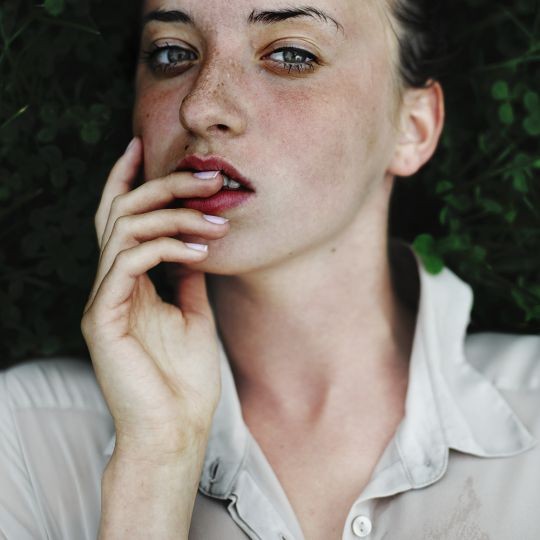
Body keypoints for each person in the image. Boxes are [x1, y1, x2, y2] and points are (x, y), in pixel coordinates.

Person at [1, 1, 539, 539]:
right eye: (171, 54)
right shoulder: (24, 438)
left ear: (413, 128)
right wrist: (156, 463)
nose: (200, 106)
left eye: (291, 55)